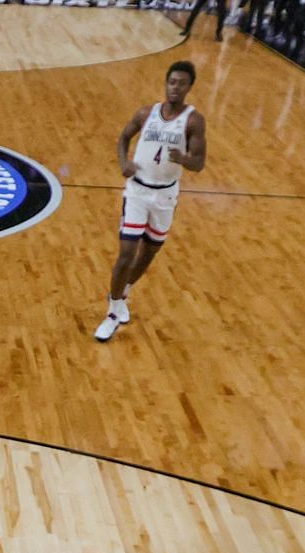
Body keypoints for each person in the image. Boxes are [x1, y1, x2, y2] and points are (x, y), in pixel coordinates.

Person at [94, 61, 205, 342]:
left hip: (166, 194)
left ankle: (122, 292)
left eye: (181, 83)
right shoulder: (146, 113)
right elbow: (122, 138)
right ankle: (112, 312)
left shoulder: (193, 120)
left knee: (150, 252)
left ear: (190, 87)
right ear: (166, 83)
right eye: (172, 82)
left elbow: (199, 163)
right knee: (126, 253)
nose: (175, 88)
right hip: (138, 191)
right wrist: (123, 162)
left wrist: (184, 159)